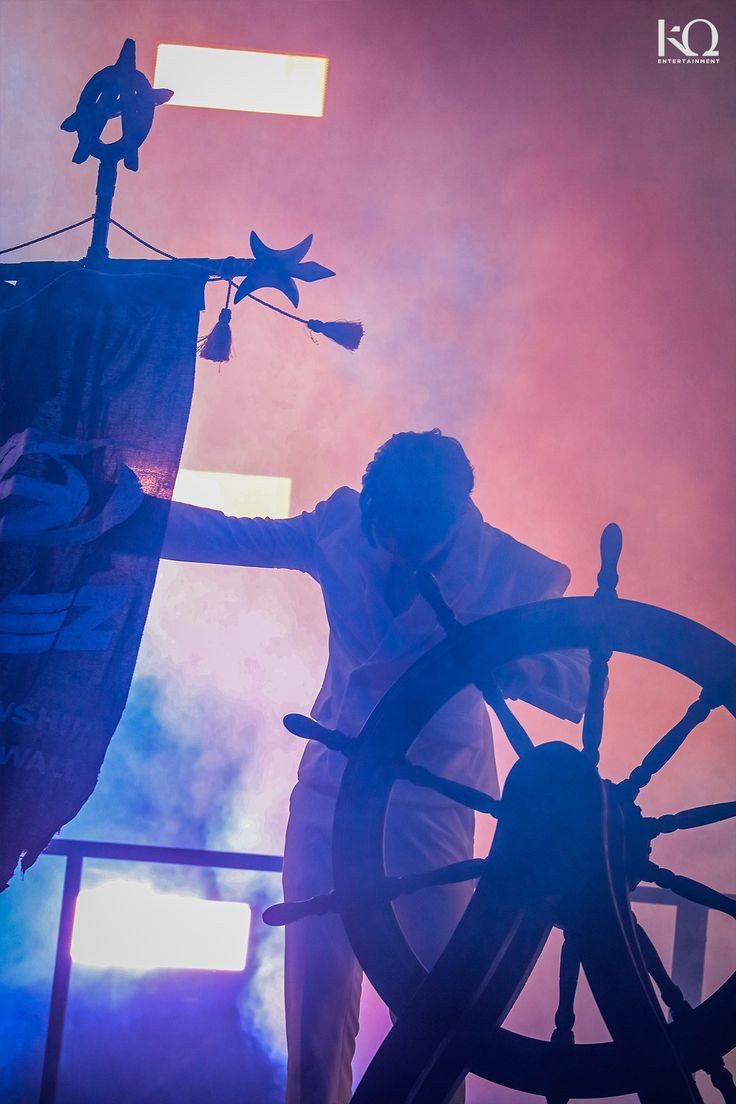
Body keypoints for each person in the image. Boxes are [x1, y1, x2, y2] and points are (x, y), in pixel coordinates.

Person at [131, 429, 587, 1104]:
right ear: (372, 507)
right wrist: (121, 515)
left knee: (435, 1026)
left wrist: (492, 654)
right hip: (327, 801)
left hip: (430, 816)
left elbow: (574, 687)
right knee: (313, 1037)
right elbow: (235, 537)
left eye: (408, 537)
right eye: (383, 530)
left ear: (453, 517)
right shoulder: (343, 525)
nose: (390, 549)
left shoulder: (512, 573)